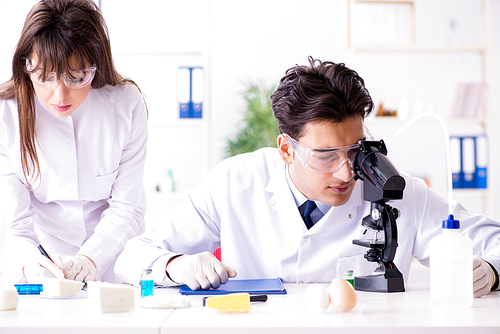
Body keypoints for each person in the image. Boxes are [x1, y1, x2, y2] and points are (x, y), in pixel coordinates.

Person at [115, 57, 499, 298]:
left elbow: (494, 242)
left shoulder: (398, 192)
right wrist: (175, 264)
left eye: (355, 150)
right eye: (327, 155)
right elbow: (132, 257)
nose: (346, 172)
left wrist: (491, 270)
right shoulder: (235, 182)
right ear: (287, 149)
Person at [0, 0, 148, 283]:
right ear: (26, 66)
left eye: (77, 77)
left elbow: (127, 207)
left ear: (96, 64)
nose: (60, 96)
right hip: (43, 262)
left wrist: (90, 258)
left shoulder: (126, 104)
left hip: (113, 261)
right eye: (45, 77)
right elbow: (16, 225)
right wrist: (31, 263)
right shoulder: (7, 114)